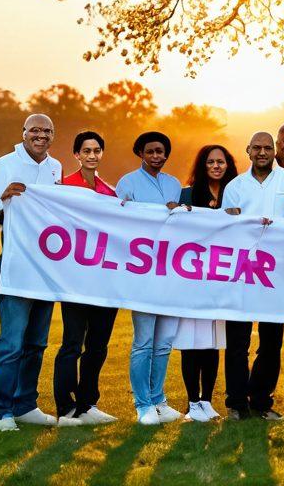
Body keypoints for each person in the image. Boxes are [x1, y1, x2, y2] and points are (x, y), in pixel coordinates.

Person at [0, 113, 63, 431]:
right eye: (35, 130)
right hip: (15, 267)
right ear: (24, 133)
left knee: (36, 343)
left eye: (47, 131)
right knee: (11, 342)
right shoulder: (5, 164)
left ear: (53, 135)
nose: (41, 135)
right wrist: (2, 196)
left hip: (46, 270)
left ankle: (25, 405)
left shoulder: (56, 168)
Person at [221, 131, 284, 420]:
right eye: (257, 147)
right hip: (242, 272)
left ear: (274, 151)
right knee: (238, 342)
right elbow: (225, 228)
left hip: (276, 273)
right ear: (248, 150)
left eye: (268, 148)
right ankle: (236, 403)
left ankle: (260, 401)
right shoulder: (235, 186)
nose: (263, 152)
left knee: (271, 342)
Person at [116, 130, 184, 425]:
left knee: (165, 340)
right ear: (141, 153)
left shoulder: (174, 184)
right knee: (144, 340)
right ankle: (142, 404)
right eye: (151, 151)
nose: (157, 156)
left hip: (170, 271)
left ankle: (159, 400)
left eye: (161, 151)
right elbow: (117, 220)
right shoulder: (127, 183)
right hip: (142, 271)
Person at [53, 131, 119, 426]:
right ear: (76, 155)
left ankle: (88, 403)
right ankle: (66, 407)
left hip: (104, 282)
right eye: (86, 151)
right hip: (75, 281)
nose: (92, 155)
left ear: (102, 154)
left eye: (97, 150)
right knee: (72, 343)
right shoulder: (63, 187)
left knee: (98, 345)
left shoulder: (110, 192)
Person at [175, 144, 238, 423]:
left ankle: (207, 400)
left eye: (221, 162)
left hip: (220, 278)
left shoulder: (234, 194)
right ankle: (192, 402)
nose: (216, 166)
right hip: (192, 278)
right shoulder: (187, 194)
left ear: (228, 165)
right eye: (211, 162)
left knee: (213, 342)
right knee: (191, 342)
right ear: (203, 165)